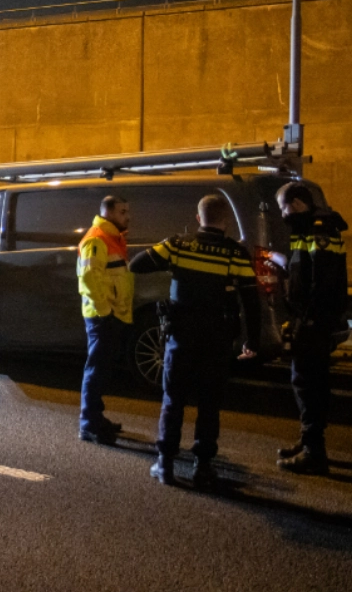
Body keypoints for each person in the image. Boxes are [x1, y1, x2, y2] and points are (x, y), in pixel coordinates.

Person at [129, 194, 260, 489]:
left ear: (198, 218)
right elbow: (251, 300)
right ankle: (203, 467)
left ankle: (165, 464)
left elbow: (137, 264)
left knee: (173, 399)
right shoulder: (235, 253)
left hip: (181, 337)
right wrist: (251, 340)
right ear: (226, 220)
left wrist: (173, 265)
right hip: (217, 340)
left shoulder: (178, 245)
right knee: (209, 403)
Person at [271, 182, 348, 476]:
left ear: (296, 203)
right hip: (312, 319)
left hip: (314, 321)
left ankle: (315, 453)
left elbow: (323, 282)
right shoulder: (306, 229)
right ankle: (309, 441)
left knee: (307, 383)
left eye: (283, 208)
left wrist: (309, 319)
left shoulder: (319, 230)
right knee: (309, 381)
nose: (282, 214)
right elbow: (305, 272)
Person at [76, 195, 134, 445]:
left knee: (101, 370)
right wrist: (104, 311)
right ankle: (89, 424)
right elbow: (88, 279)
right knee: (96, 370)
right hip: (102, 316)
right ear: (108, 212)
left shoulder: (112, 237)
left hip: (111, 313)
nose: (127, 216)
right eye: (122, 212)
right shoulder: (97, 239)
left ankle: (95, 417)